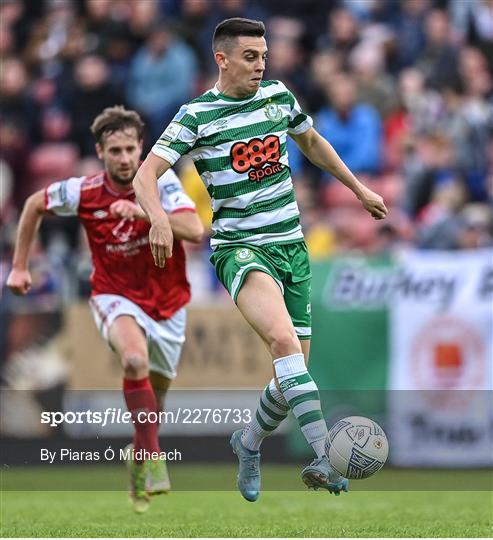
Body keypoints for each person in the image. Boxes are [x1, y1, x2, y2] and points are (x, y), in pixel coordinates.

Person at [132, 18, 388, 502]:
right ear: (222, 59)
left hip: (292, 246)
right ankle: (326, 453)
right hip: (241, 249)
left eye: (264, 55)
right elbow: (146, 176)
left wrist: (358, 189)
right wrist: (159, 219)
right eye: (250, 56)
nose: (260, 65)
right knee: (282, 340)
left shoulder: (277, 96)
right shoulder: (197, 115)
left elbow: (311, 143)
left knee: (291, 371)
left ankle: (248, 444)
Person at [6, 106, 204, 513]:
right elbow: (32, 204)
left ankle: (139, 454)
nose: (125, 158)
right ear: (100, 151)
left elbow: (195, 229)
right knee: (133, 360)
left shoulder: (161, 184)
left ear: (141, 148)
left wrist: (145, 213)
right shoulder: (84, 191)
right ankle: (153, 459)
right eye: (115, 150)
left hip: (168, 302)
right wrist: (21, 266)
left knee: (154, 403)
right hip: (113, 294)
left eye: (131, 149)